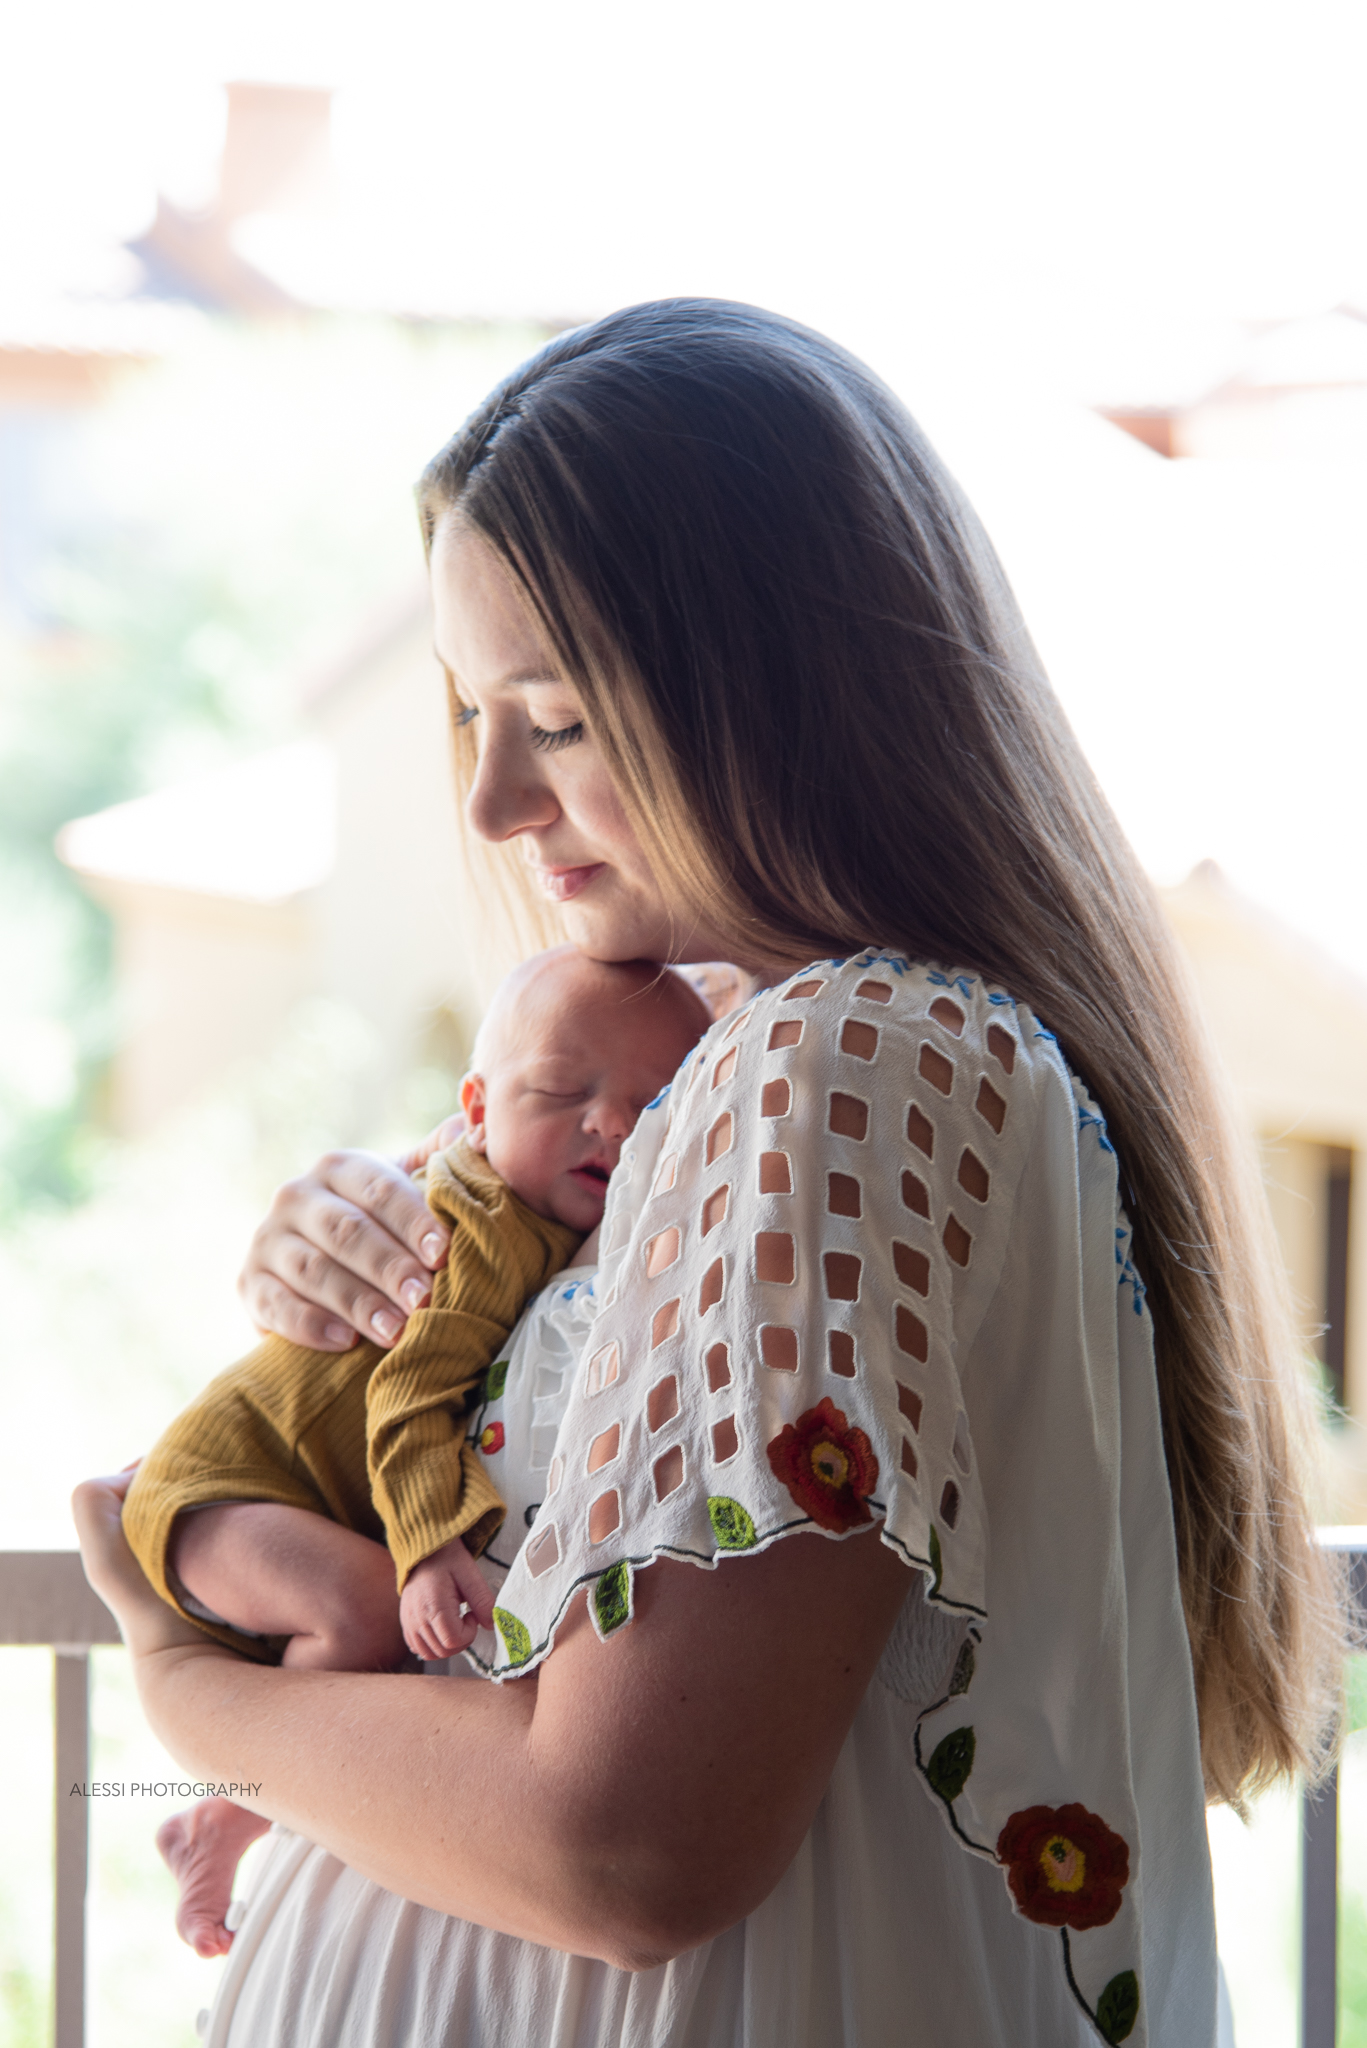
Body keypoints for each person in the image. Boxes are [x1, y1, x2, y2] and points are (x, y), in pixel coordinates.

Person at [74, 299, 1345, 2048]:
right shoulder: (774, 1071)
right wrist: (390, 1232)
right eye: (470, 713)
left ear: (776, 686)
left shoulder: (844, 1060)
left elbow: (622, 1847)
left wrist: (185, 1685)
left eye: (560, 713)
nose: (500, 797)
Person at [120, 946, 709, 1958]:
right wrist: (432, 1547)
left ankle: (224, 1813)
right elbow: (407, 1396)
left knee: (357, 1624)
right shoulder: (478, 1225)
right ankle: (236, 1802)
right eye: (562, 1091)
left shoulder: (542, 1221)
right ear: (473, 1110)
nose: (608, 1122)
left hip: (277, 1495)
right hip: (221, 1482)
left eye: (652, 1105)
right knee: (360, 1611)